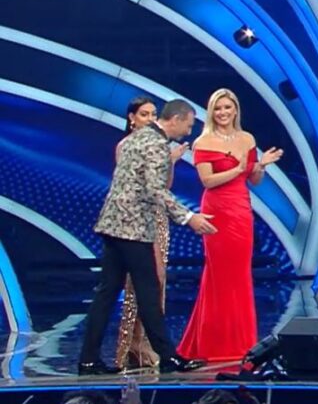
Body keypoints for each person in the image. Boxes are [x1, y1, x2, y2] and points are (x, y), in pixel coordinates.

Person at [78, 99, 216, 375]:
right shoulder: (156, 144)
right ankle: (168, 357)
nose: (188, 132)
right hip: (132, 228)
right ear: (175, 119)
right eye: (188, 125)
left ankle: (88, 359)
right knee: (148, 293)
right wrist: (189, 217)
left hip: (113, 225)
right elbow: (155, 190)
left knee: (107, 293)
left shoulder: (136, 138)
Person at [177, 89, 283, 362]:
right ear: (211, 112)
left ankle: (242, 342)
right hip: (217, 211)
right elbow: (208, 181)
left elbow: (253, 180)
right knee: (219, 276)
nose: (223, 113)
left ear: (236, 109)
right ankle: (213, 345)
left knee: (240, 276)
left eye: (227, 107)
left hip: (241, 210)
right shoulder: (203, 142)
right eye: (218, 108)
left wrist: (261, 166)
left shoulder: (247, 138)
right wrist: (237, 169)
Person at [115, 97, 189, 369]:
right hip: (136, 220)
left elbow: (164, 186)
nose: (149, 119)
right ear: (131, 118)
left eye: (153, 114)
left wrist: (170, 162)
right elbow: (137, 185)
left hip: (158, 218)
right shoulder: (127, 145)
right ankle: (132, 346)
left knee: (158, 281)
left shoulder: (160, 146)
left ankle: (146, 344)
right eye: (144, 114)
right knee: (139, 282)